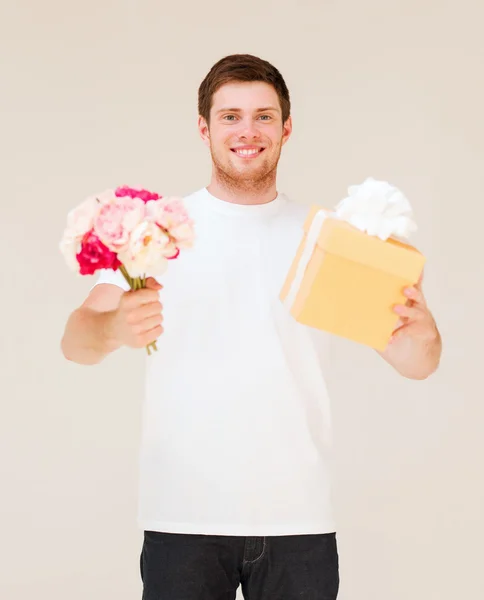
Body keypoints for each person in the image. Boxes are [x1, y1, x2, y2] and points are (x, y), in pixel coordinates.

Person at [60, 54, 442, 600]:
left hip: (299, 520)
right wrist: (115, 327)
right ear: (204, 128)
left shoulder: (329, 238)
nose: (247, 131)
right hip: (182, 517)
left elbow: (417, 361)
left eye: (264, 116)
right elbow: (76, 341)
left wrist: (423, 334)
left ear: (286, 128)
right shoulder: (155, 231)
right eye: (230, 116)